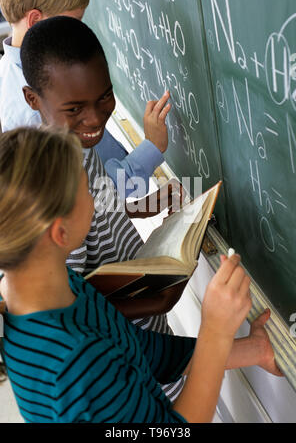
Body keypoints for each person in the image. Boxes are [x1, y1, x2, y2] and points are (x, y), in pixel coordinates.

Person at [0, 127, 282, 423]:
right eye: (87, 189)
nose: (97, 197)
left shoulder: (52, 288)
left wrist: (253, 350)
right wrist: (216, 330)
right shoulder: (77, 359)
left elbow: (142, 352)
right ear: (61, 232)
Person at [20, 16, 188, 402]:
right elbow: (72, 306)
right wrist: (148, 296)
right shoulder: (54, 191)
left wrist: (148, 181)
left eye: (104, 98)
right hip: (128, 351)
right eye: (76, 108)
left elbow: (104, 195)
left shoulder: (71, 144)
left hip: (146, 324)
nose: (95, 119)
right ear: (33, 99)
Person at [0, 0, 167, 199]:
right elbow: (93, 195)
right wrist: (152, 147)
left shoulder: (8, 69)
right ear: (35, 21)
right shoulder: (37, 114)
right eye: (72, 23)